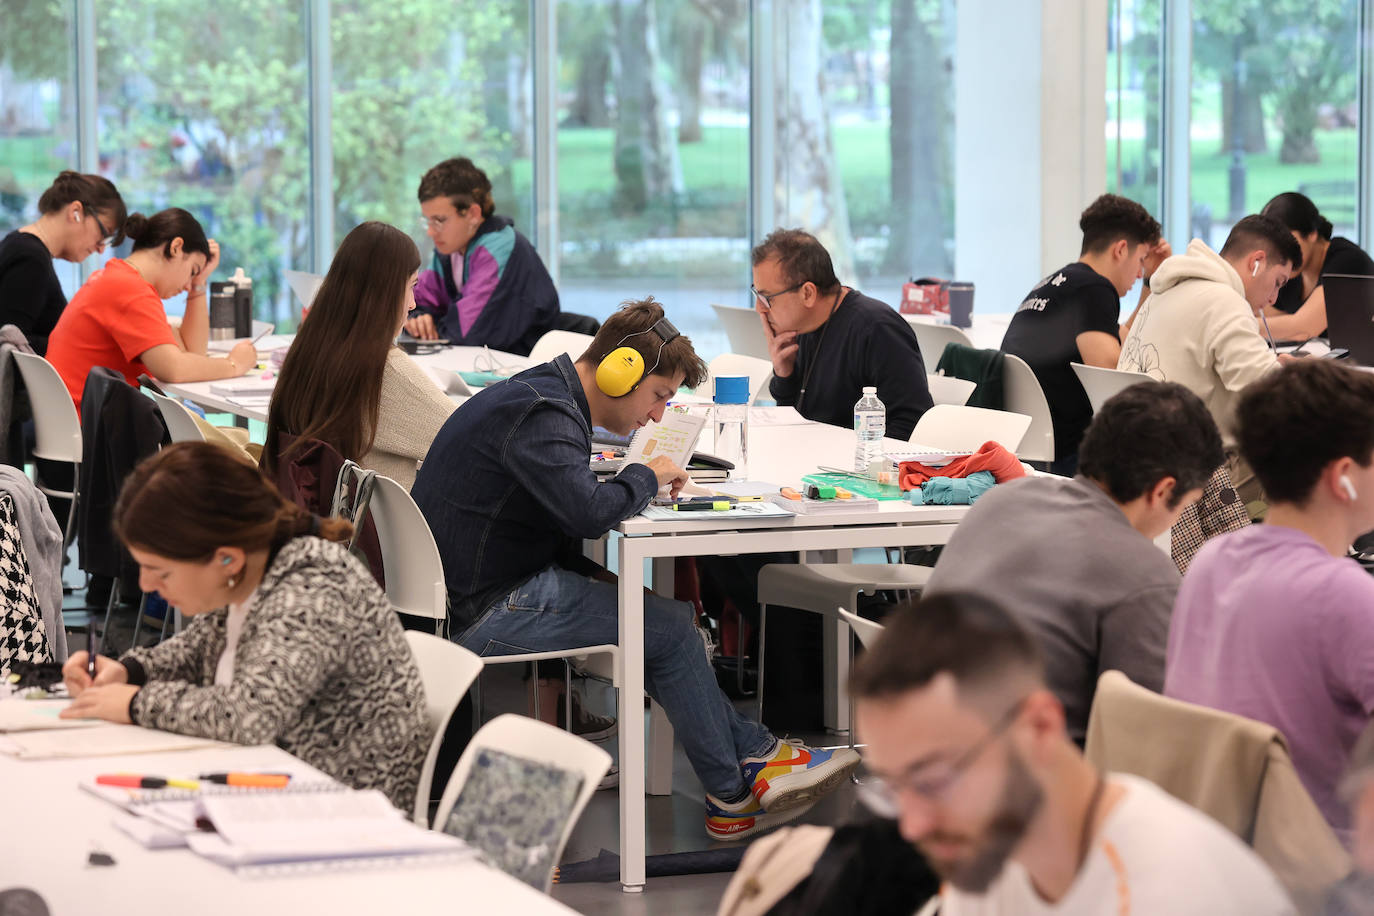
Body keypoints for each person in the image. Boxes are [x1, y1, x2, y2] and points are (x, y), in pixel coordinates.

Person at [412, 298, 860, 840]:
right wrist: (645, 474)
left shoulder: (541, 394)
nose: (657, 416)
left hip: (465, 590)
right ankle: (737, 788)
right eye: (659, 396)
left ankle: (751, 767)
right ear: (619, 371)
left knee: (664, 624)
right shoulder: (545, 413)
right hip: (482, 608)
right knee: (669, 630)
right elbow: (588, 513)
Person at [851, 591, 1296, 915]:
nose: (912, 826)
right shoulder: (989, 852)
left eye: (932, 781)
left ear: (1040, 727)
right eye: (893, 788)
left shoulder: (1175, 895)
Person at [59, 442, 428, 810]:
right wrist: (128, 672)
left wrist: (136, 703)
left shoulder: (313, 589)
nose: (145, 584)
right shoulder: (254, 566)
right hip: (273, 790)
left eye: (161, 572)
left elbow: (250, 715)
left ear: (227, 559)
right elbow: (197, 649)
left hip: (343, 813)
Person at [921, 381, 1221, 745]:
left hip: (916, 738)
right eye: (1187, 504)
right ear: (1162, 491)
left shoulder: (1003, 499)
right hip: (1017, 768)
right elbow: (1149, 736)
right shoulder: (1146, 575)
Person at [1164, 359, 1374, 843]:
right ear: (1344, 476)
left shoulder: (1211, 562)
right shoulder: (1343, 597)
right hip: (1323, 862)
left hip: (1223, 845)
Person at [1118, 214, 1301, 517]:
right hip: (1197, 478)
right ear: (1256, 262)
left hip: (1136, 466)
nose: (1273, 298)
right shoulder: (1225, 301)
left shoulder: (1163, 292)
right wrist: (1298, 375)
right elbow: (1271, 395)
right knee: (1315, 451)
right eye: (1278, 282)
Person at [262, 221, 454, 491]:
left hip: (308, 511)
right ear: (385, 293)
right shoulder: (385, 369)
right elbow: (468, 439)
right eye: (411, 286)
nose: (413, 303)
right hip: (374, 518)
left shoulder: (308, 350)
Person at [1000, 194, 1164, 476]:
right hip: (1068, 455)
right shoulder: (1094, 289)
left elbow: (1125, 339)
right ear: (1120, 250)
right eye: (1141, 261)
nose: (1139, 275)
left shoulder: (1058, 284)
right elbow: (1114, 377)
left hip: (1025, 447)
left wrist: (1153, 281)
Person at [45, 208, 256, 414]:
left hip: (73, 418)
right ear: (176, 247)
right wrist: (234, 364)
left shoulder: (117, 278)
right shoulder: (131, 290)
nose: (187, 285)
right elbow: (174, 369)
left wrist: (199, 283)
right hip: (89, 424)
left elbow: (192, 354)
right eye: (192, 271)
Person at [755, 228, 932, 441]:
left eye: (766, 298)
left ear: (808, 293)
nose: (759, 308)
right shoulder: (800, 328)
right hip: (812, 453)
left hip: (859, 460)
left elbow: (911, 424)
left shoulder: (877, 329)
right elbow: (794, 422)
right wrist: (785, 375)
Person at [403, 157, 559, 356]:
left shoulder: (498, 247)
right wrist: (418, 317)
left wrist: (431, 323)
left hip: (525, 366)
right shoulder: (451, 249)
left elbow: (467, 333)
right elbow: (417, 299)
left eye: (439, 221)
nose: (430, 232)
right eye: (428, 221)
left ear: (473, 214)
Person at [0, 171, 128, 355]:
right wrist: (80, 344)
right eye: (104, 232)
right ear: (75, 212)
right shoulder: (31, 258)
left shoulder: (23, 246)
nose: (101, 248)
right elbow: (10, 346)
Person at [1260, 191, 1374, 341]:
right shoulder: (1292, 270)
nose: (1279, 253)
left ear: (1312, 233)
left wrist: (1242, 325)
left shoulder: (1348, 261)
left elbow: (1304, 329)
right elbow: (1262, 313)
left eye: (1286, 242)